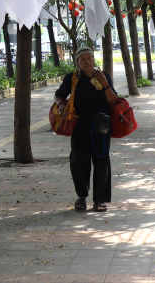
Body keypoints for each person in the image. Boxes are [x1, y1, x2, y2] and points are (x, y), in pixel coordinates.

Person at [53, 47, 118, 212]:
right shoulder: (72, 78)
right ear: (77, 62)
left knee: (102, 161)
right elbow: (59, 95)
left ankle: (100, 199)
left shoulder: (103, 76)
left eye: (90, 58)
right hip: (79, 126)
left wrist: (105, 84)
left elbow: (113, 100)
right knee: (78, 161)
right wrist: (61, 104)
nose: (87, 61)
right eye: (83, 59)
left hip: (101, 126)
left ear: (94, 60)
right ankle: (81, 195)